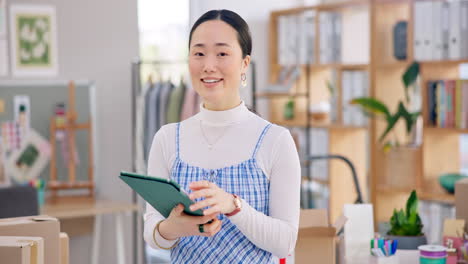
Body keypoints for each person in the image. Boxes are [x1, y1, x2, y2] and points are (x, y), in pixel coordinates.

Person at [143, 9, 301, 263]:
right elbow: (152, 233)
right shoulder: (167, 138)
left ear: (244, 64)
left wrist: (233, 205)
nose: (208, 65)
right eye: (199, 53)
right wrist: (174, 227)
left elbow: (285, 243)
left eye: (222, 53)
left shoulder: (275, 140)